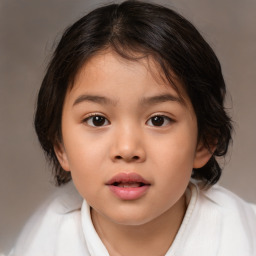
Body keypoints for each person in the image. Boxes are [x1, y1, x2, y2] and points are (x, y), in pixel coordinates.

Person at [9, 1, 256, 255]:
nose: (127, 149)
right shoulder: (42, 243)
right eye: (97, 120)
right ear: (60, 146)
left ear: (204, 140)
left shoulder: (243, 237)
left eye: (158, 120)